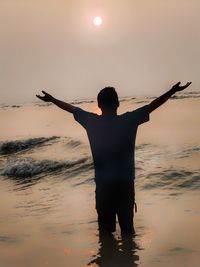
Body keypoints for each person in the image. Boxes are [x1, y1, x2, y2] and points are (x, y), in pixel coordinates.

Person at [36, 81, 191, 235]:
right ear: (118, 103)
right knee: (128, 231)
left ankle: (107, 256)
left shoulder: (91, 122)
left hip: (104, 187)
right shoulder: (129, 120)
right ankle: (127, 256)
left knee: (105, 233)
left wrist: (52, 99)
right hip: (125, 186)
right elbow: (153, 105)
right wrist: (172, 91)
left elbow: (71, 109)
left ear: (99, 105)